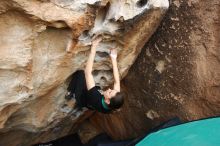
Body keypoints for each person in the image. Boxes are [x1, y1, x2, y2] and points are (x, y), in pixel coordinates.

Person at [65, 37, 124, 113]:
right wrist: (113, 58)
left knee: (80, 74)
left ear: (108, 101)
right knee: (97, 87)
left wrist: (94, 47)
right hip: (92, 102)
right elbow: (117, 81)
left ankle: (71, 92)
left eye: (110, 92)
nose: (109, 89)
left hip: (82, 97)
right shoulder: (114, 101)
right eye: (112, 90)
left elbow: (88, 73)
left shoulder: (95, 98)